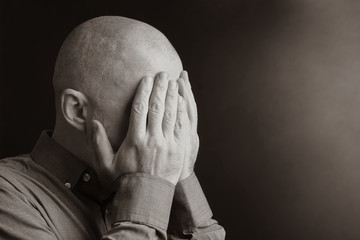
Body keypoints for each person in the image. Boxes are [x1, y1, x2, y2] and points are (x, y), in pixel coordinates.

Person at [0, 16, 225, 239]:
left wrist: (181, 177)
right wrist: (145, 197)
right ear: (77, 111)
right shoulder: (9, 198)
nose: (169, 128)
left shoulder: (163, 183)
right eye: (149, 105)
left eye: (173, 102)